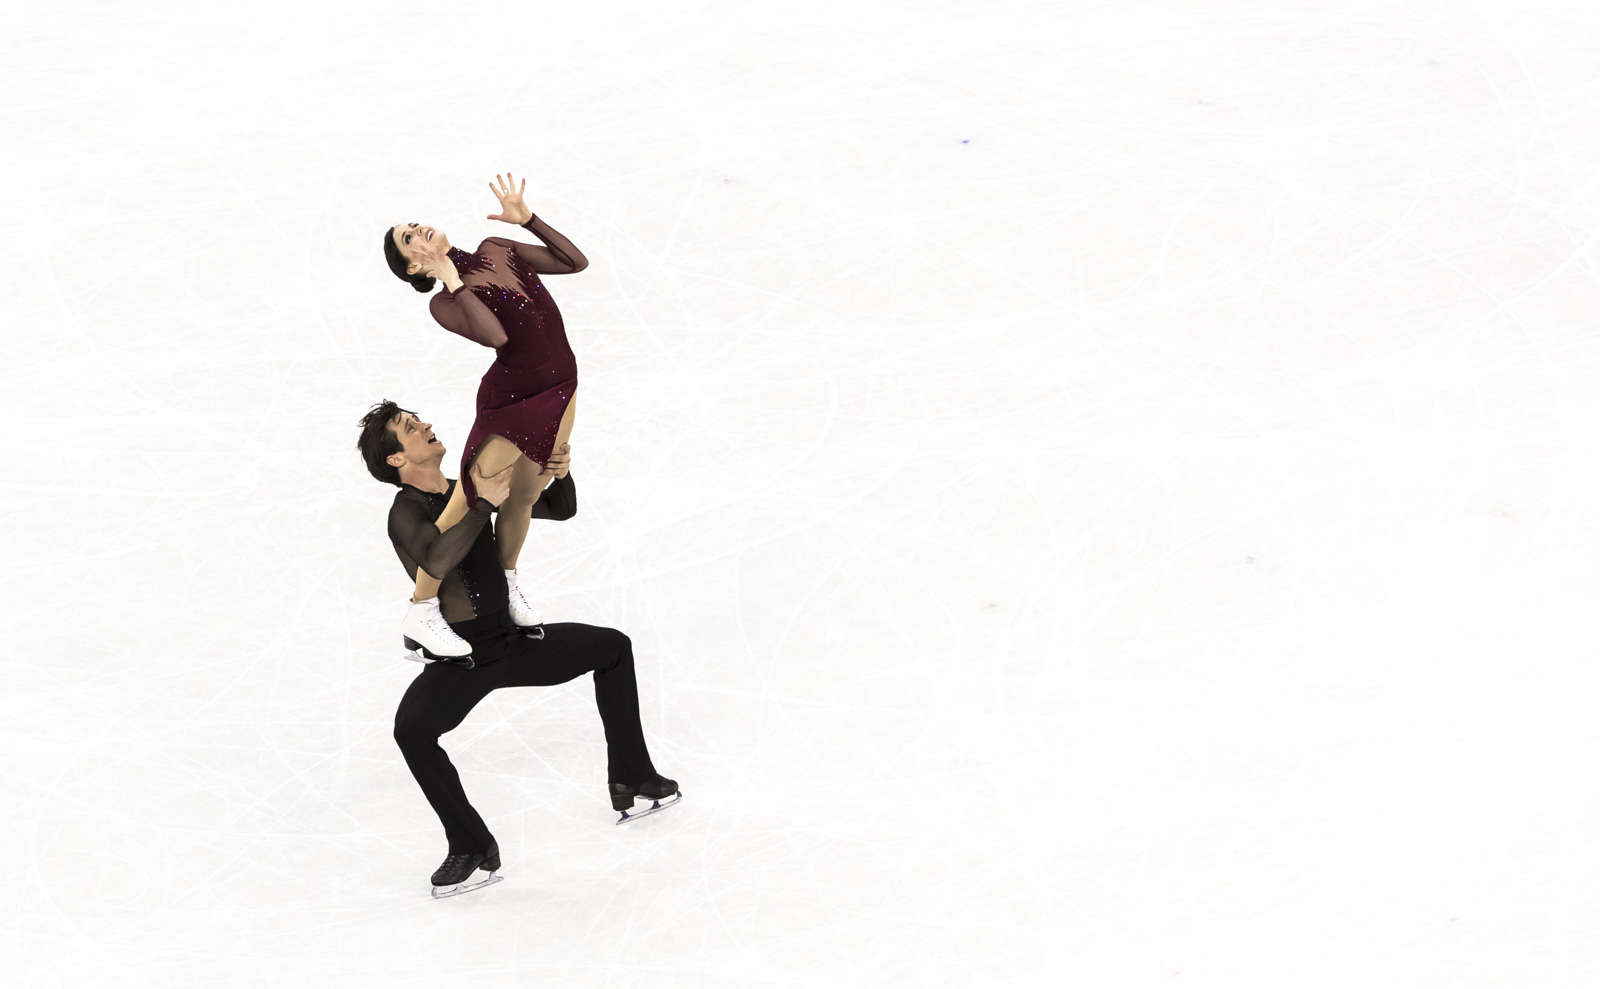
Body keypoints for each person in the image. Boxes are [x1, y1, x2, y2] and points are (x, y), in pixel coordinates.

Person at [355, 400, 680, 898]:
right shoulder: (406, 512)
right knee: (412, 731)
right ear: (397, 460)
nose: (425, 425)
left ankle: (633, 777)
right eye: (410, 428)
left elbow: (555, 507)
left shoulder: (468, 485)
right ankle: (470, 844)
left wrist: (559, 475)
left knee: (612, 648)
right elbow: (437, 557)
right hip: (464, 657)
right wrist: (482, 503)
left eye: (419, 419)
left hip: (515, 641)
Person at [382, 172, 586, 661]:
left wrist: (529, 220)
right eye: (408, 240)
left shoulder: (498, 247)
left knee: (526, 492)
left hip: (561, 384)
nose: (419, 232)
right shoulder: (443, 302)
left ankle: (509, 580)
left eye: (414, 225)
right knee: (472, 497)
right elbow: (496, 337)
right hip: (511, 397)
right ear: (415, 269)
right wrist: (452, 279)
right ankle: (421, 609)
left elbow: (574, 263)